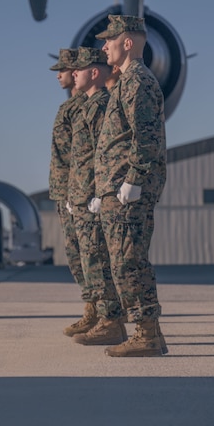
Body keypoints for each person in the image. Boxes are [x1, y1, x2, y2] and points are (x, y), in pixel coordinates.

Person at [94, 14, 167, 357]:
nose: (103, 45)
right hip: (116, 188)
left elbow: (146, 137)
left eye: (109, 39)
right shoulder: (125, 82)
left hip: (129, 189)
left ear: (128, 42)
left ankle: (147, 333)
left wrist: (135, 179)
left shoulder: (137, 81)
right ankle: (144, 330)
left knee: (129, 260)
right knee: (123, 260)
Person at [64, 47, 125, 346]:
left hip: (91, 195)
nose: (74, 72)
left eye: (81, 68)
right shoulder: (87, 105)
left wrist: (98, 192)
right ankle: (103, 317)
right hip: (81, 194)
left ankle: (111, 321)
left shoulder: (101, 105)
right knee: (89, 259)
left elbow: (105, 153)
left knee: (98, 259)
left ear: (95, 73)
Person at [49, 48, 89, 336]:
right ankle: (92, 308)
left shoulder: (82, 108)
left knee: (87, 255)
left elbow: (82, 154)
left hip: (77, 192)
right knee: (76, 255)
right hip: (66, 191)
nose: (60, 75)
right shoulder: (72, 106)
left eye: (63, 70)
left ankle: (99, 311)